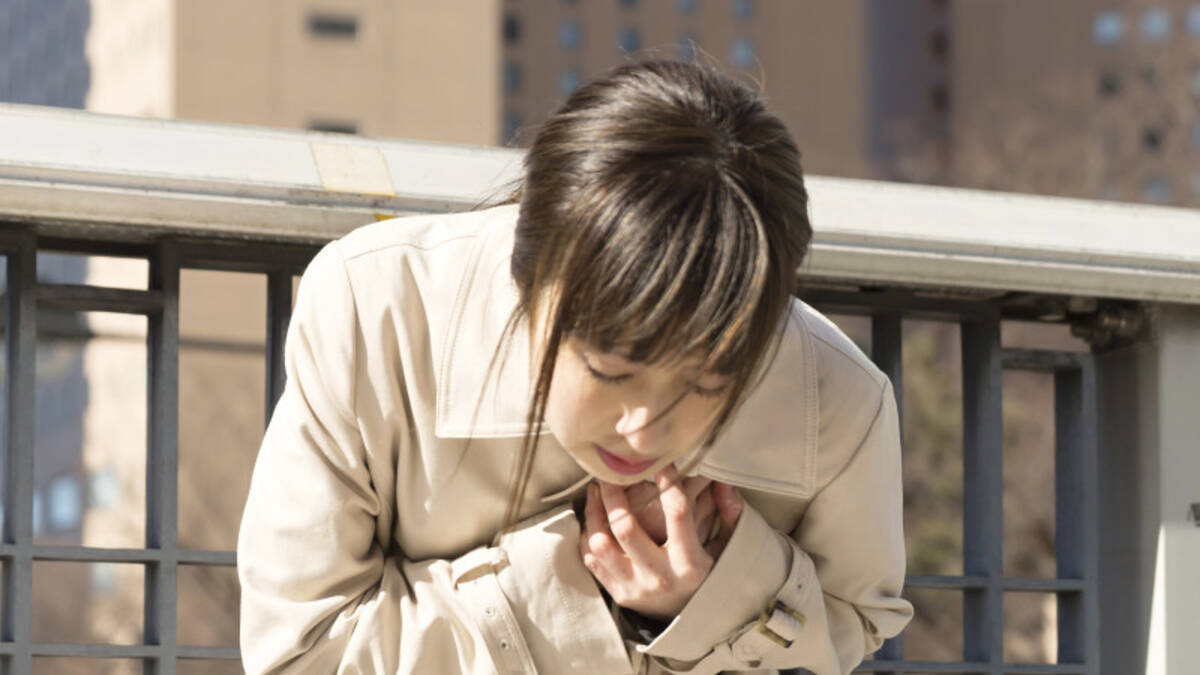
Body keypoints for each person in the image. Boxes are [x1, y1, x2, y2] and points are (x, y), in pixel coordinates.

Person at [237, 59, 912, 674]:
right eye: (610, 370)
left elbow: (855, 625)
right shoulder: (376, 311)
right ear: (526, 279)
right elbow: (299, 651)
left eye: (706, 383)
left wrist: (699, 606)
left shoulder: (837, 402)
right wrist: (601, 603)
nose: (644, 430)